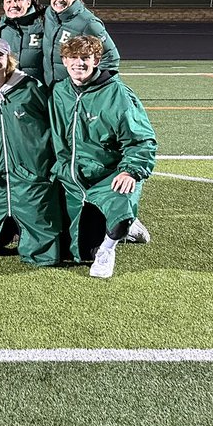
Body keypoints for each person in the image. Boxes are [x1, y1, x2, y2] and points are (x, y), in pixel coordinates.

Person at [49, 35, 158, 279]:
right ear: (64, 61)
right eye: (73, 57)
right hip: (72, 178)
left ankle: (109, 248)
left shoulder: (117, 94)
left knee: (120, 199)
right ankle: (126, 227)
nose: (79, 63)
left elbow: (142, 140)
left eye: (85, 58)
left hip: (108, 176)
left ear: (96, 60)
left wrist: (130, 171)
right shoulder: (60, 92)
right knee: (75, 249)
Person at [0, 37, 63, 267]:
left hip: (31, 170)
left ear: (8, 60)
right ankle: (8, 231)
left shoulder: (31, 87)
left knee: (40, 221)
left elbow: (54, 123)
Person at [42, 0, 120, 87]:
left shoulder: (89, 23)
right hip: (50, 88)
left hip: (72, 91)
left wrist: (91, 86)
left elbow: (111, 56)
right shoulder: (49, 14)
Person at [0, 0, 44, 78]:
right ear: (3, 6)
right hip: (9, 83)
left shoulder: (44, 21)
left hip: (37, 84)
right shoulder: (1, 25)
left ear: (28, 3)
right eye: (8, 1)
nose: (13, 5)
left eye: (19, 0)